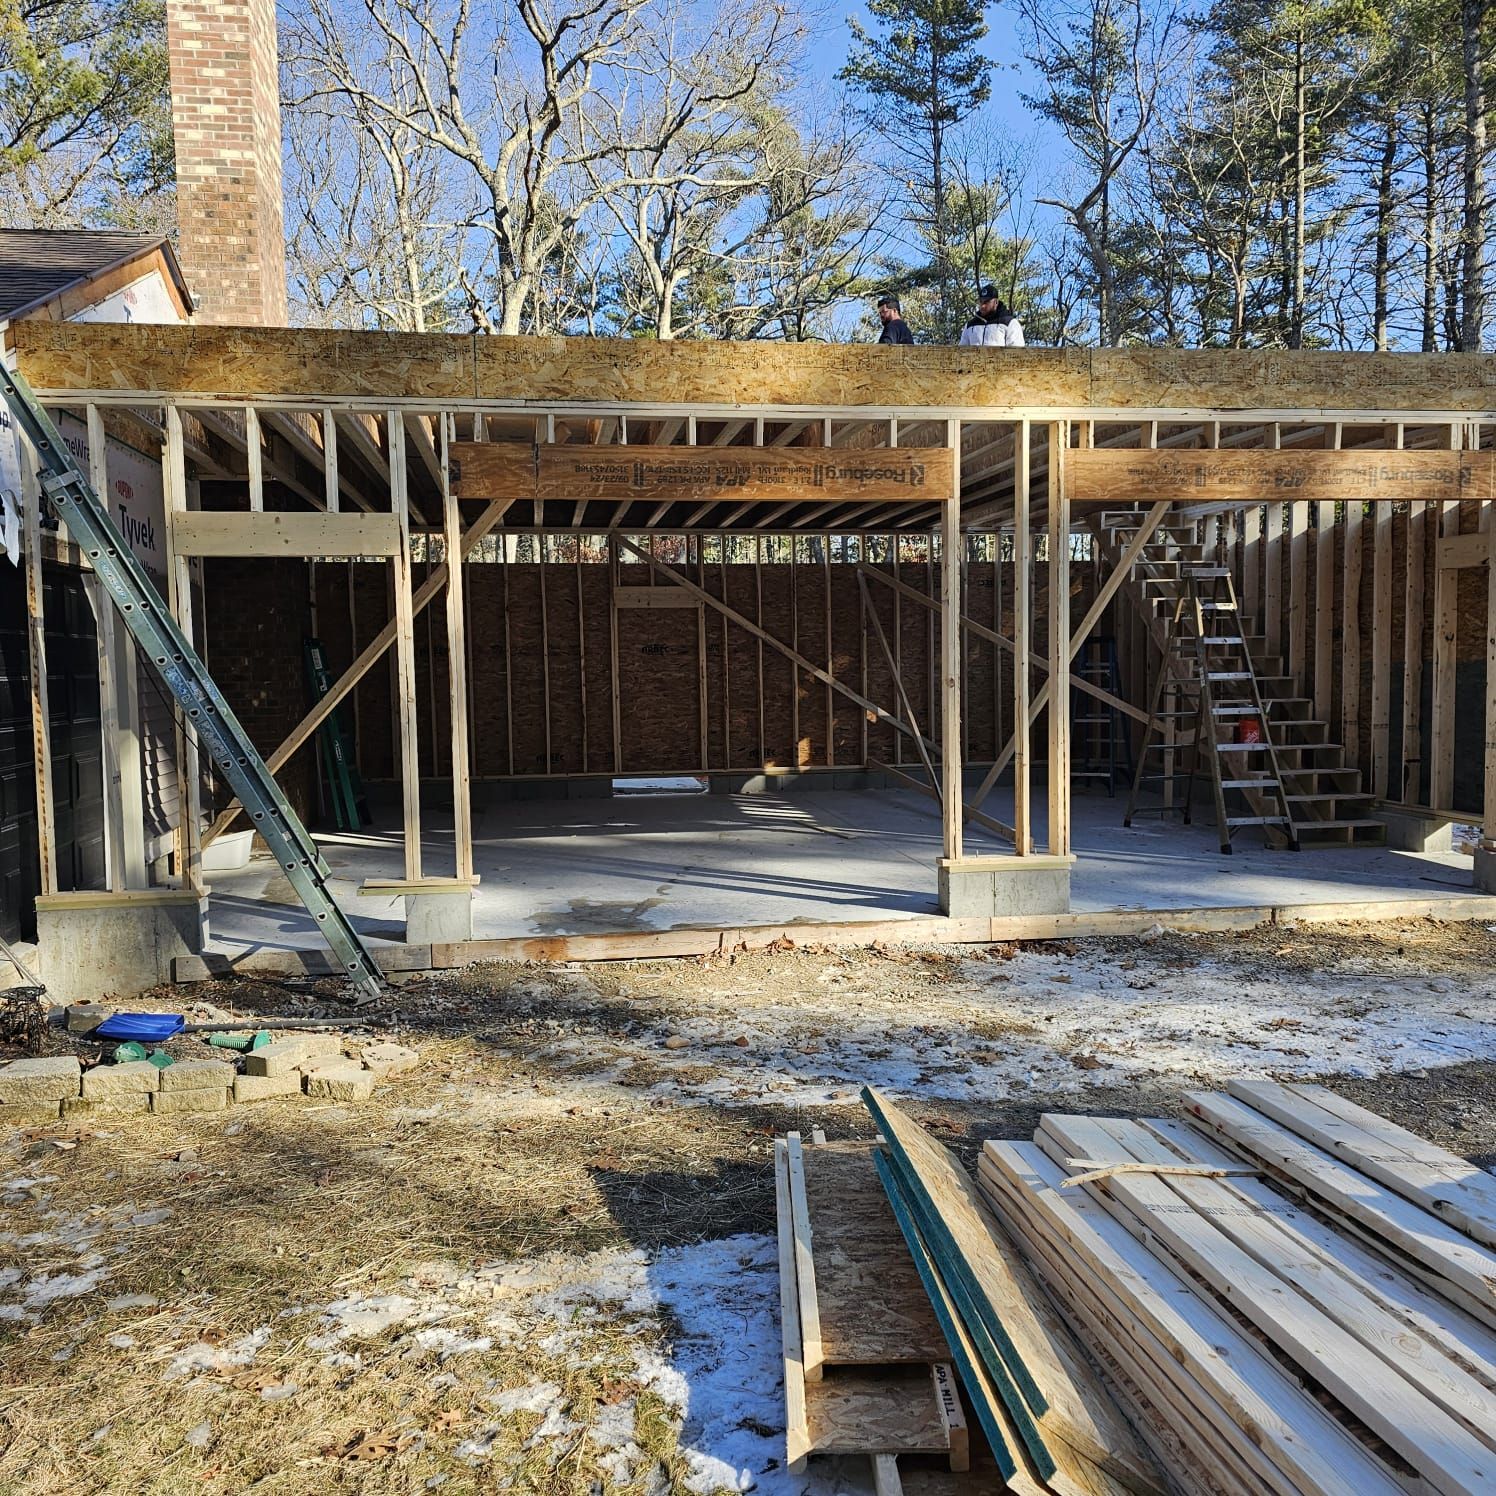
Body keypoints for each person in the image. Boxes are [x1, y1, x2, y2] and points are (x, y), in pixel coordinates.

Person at [958, 284, 1025, 347]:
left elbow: (1017, 352)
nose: (983, 306)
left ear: (996, 302)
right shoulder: (970, 325)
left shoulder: (1009, 323)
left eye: (986, 302)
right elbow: (961, 352)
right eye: (981, 302)